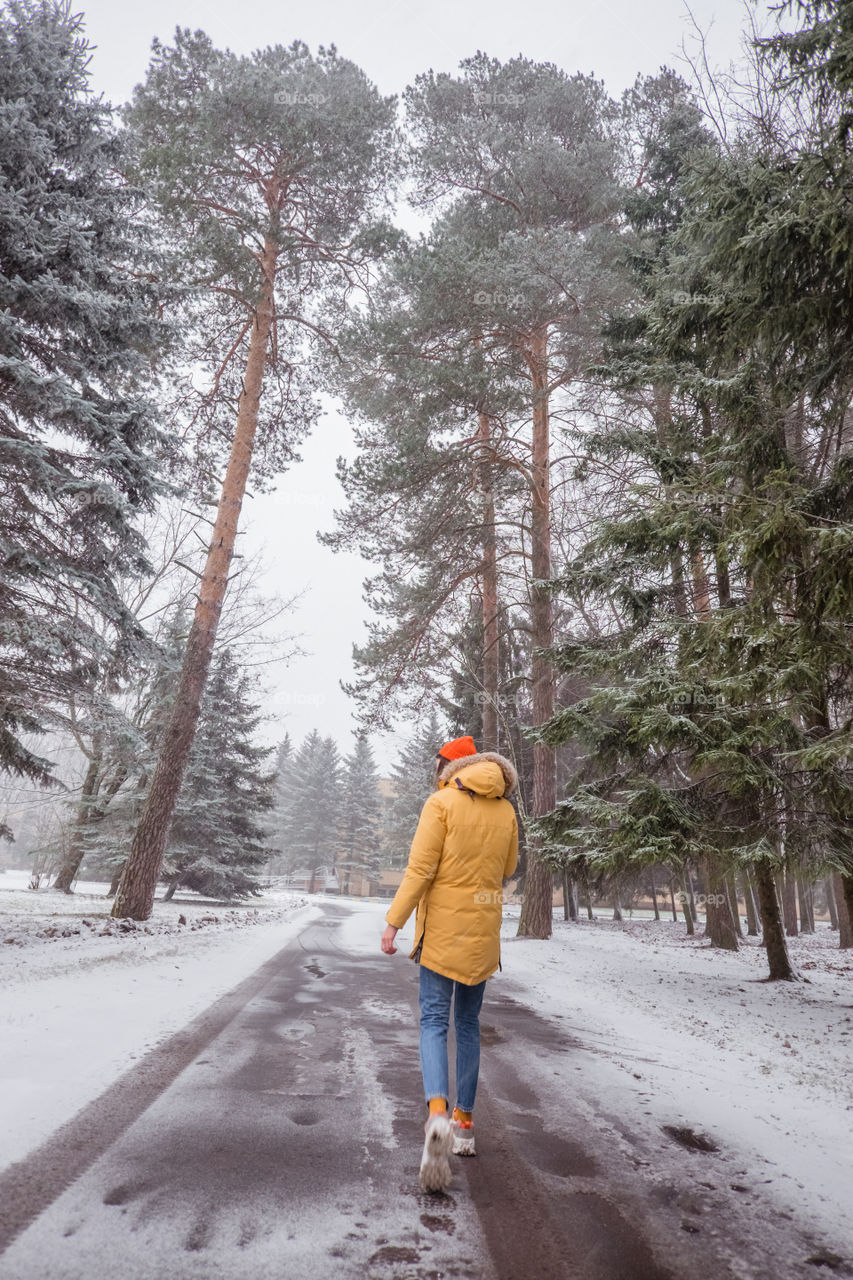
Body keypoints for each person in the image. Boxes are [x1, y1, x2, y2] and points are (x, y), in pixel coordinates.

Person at [380, 735, 519, 1192]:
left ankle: (436, 1112)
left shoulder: (440, 803)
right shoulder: (506, 809)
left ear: (454, 766)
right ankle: (464, 1124)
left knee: (434, 1020)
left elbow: (420, 870)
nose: (436, 771)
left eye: (440, 763)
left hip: (441, 934)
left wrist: (393, 923)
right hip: (483, 934)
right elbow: (509, 868)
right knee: (468, 1022)